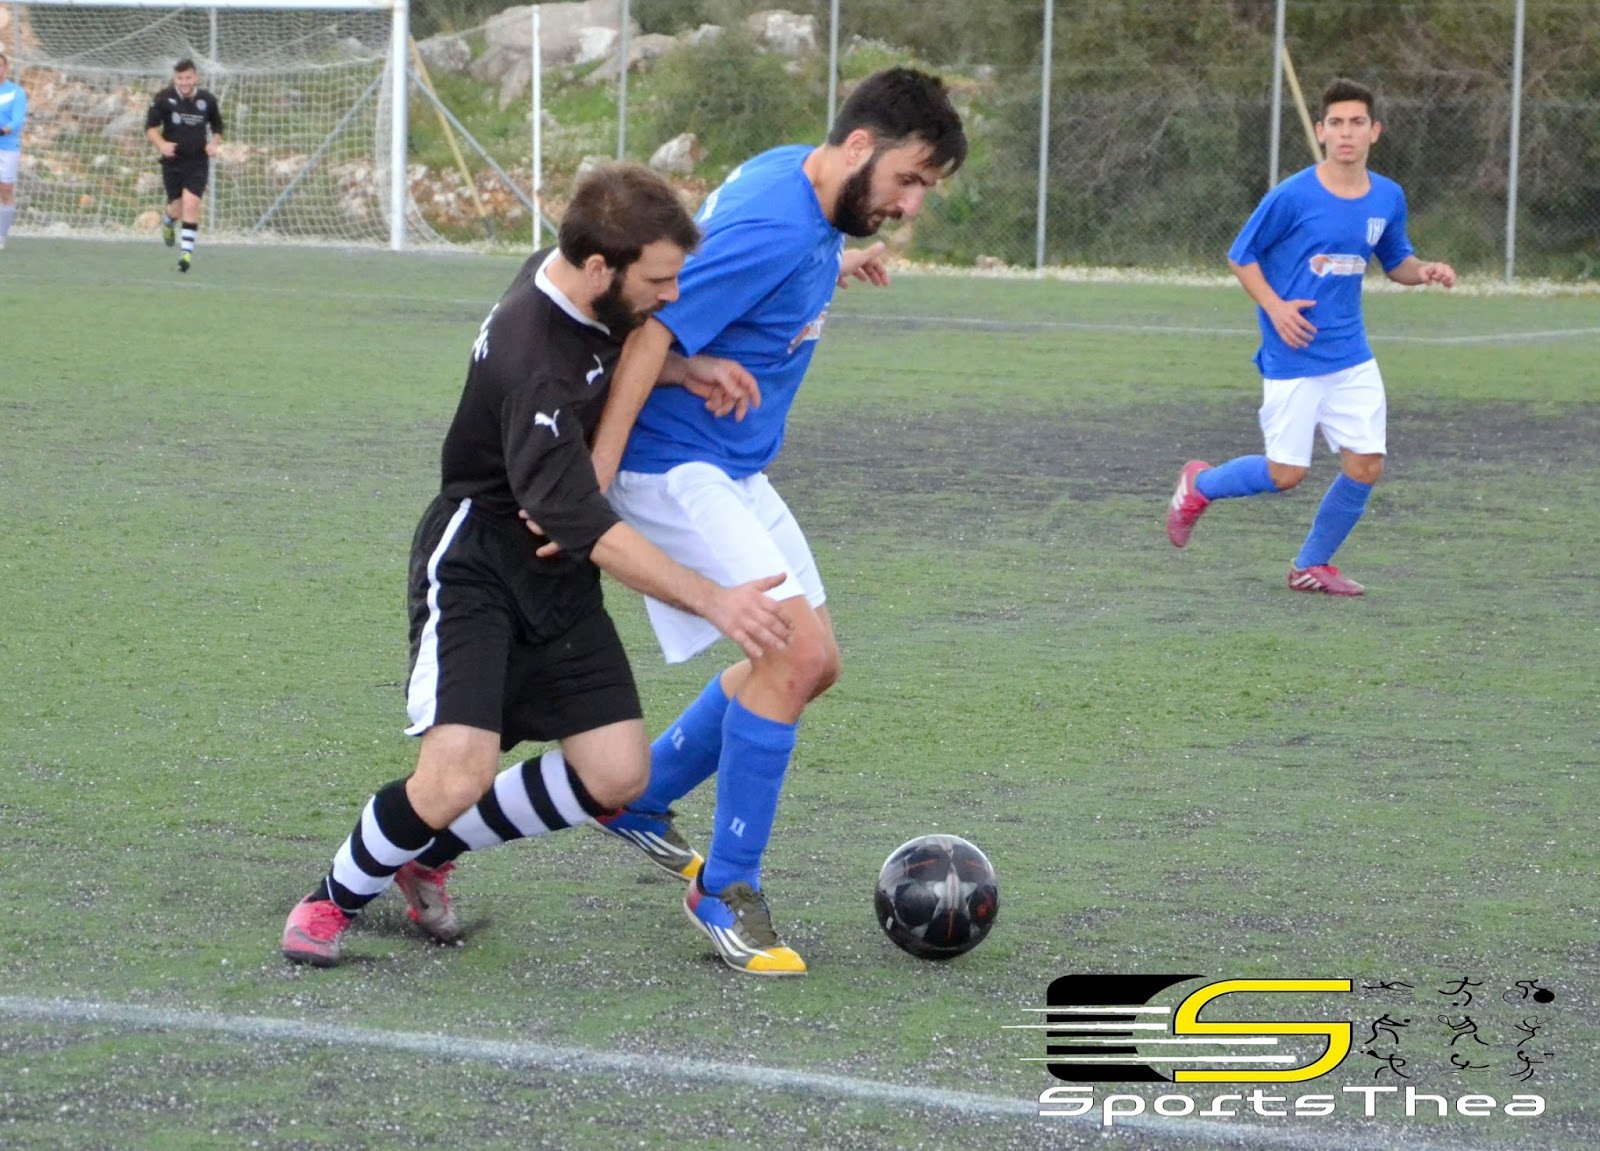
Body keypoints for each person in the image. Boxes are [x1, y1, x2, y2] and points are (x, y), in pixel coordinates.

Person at [280, 164, 792, 967]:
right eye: (658, 281)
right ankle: (330, 899)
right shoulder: (532, 357)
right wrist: (716, 600)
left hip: (554, 575)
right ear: (601, 267)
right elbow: (588, 526)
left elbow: (606, 354)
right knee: (454, 776)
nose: (671, 297)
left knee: (618, 774)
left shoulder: (568, 281)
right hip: (478, 564)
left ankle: (427, 854)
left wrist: (680, 367)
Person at [573, 67, 967, 976]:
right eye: (908, 178)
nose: (910, 204)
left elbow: (765, 258)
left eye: (925, 188)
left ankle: (638, 797)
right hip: (675, 463)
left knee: (814, 662)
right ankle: (725, 888)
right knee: (789, 657)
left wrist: (839, 262)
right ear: (860, 147)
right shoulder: (774, 229)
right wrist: (593, 482)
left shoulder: (801, 180)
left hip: (731, 462)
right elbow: (651, 332)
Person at [1166, 77, 1456, 595]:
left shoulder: (1388, 196)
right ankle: (1200, 483)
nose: (1347, 132)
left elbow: (1396, 260)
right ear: (1321, 131)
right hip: (1294, 352)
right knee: (1286, 475)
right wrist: (1275, 308)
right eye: (1336, 123)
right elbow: (1240, 256)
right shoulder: (1293, 195)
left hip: (1351, 354)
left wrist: (1425, 270)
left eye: (1357, 122)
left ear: (1374, 131)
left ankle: (1311, 565)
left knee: (1365, 466)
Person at [145, 59, 223, 273]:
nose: (184, 82)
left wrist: (214, 144)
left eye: (188, 77)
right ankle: (168, 221)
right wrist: (162, 145)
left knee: (192, 203)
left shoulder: (207, 99)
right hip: (173, 162)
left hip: (197, 161)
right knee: (177, 208)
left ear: (196, 77)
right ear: (175, 79)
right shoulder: (163, 98)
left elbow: (218, 125)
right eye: (180, 78)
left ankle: (185, 256)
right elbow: (150, 127)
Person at [0, 52, 25, 250]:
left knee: (6, 190)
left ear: (6, 69)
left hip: (7, 148)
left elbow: (17, 120)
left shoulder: (16, 92)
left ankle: (2, 235)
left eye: (1, 66)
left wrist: (4, 130)